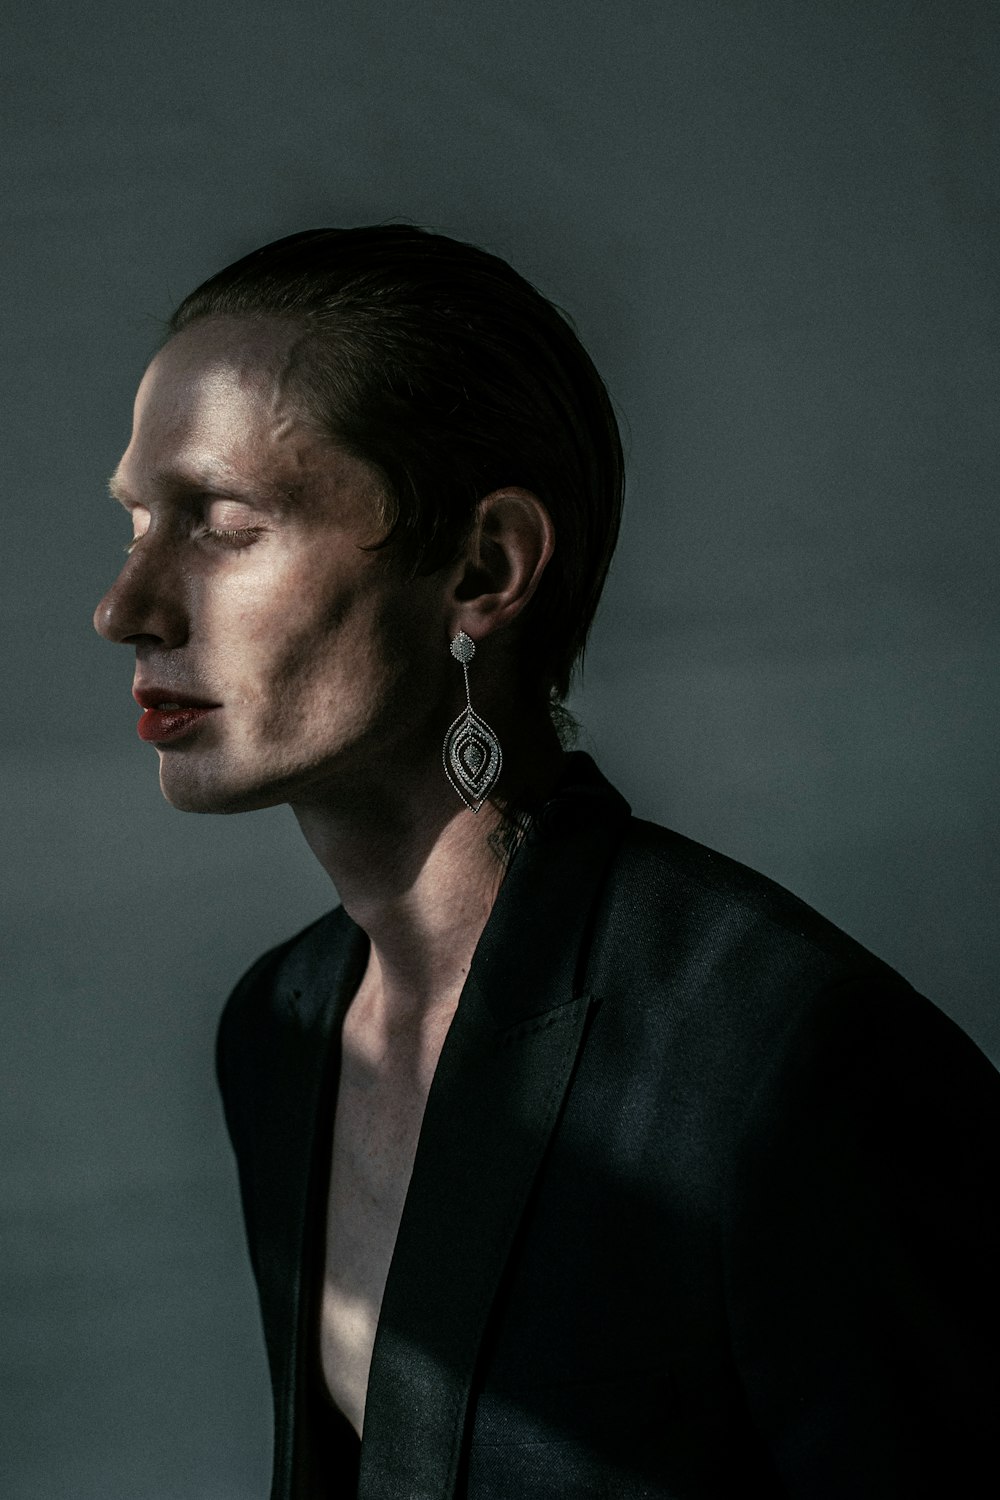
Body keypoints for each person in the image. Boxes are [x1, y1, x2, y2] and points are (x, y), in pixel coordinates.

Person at [94, 225, 1000, 1500]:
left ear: (483, 568)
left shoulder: (787, 1060)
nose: (125, 605)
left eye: (223, 523)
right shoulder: (280, 1030)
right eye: (137, 522)